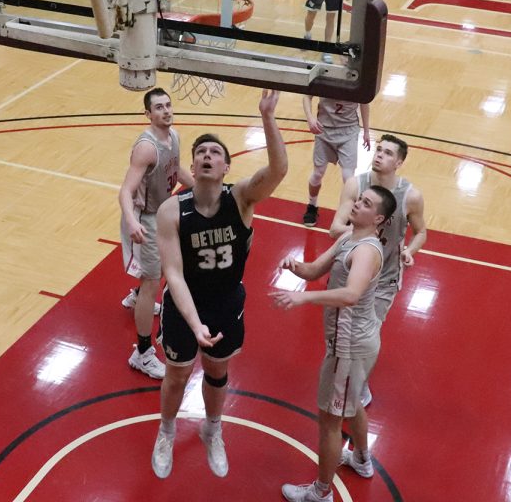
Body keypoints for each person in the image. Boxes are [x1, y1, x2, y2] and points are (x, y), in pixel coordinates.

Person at [151, 89, 287, 479]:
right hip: (184, 303)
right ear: (191, 166)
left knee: (216, 371)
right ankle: (166, 430)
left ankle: (213, 429)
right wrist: (195, 325)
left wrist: (267, 116)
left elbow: (277, 171)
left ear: (227, 166)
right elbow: (173, 274)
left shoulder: (242, 198)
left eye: (214, 153)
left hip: (226, 302)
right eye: (201, 152)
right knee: (176, 374)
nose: (206, 156)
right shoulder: (171, 210)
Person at [273, 185, 398, 502]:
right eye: (359, 199)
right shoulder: (348, 238)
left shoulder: (367, 251)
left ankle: (320, 493)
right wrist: (295, 266)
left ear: (379, 218)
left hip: (350, 346)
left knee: (330, 420)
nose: (357, 204)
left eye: (366, 203)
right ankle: (360, 459)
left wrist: (304, 298)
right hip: (352, 342)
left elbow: (351, 295)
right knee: (352, 402)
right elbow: (315, 269)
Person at [330, 134, 427, 404]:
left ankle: (359, 385)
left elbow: (421, 233)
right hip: (351, 272)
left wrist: (409, 250)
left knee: (369, 332)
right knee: (344, 331)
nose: (379, 155)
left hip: (384, 278)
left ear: (399, 162)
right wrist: (360, 230)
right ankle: (342, 376)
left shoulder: (411, 196)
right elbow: (334, 227)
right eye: (378, 150)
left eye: (386, 153)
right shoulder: (356, 185)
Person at [118, 88, 194, 380]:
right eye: (159, 107)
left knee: (159, 272)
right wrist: (131, 221)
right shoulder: (147, 147)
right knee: (153, 280)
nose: (166, 110)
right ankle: (142, 353)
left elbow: (177, 172)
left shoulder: (173, 137)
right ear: (148, 114)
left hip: (162, 213)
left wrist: (201, 188)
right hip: (144, 218)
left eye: (168, 105)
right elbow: (125, 191)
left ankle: (137, 297)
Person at [301, 96, 370, 226]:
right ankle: (312, 205)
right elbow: (307, 96)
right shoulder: (325, 76)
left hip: (348, 131)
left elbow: (364, 102)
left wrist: (366, 131)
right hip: (323, 129)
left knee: (348, 177)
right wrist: (310, 118)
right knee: (318, 174)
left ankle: (349, 211)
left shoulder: (356, 77)